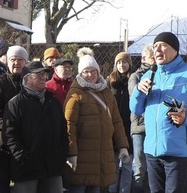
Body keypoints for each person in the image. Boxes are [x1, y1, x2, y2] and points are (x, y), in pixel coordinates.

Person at [129, 32, 187, 193]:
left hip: (178, 152)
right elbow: (136, 109)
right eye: (155, 46)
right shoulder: (149, 75)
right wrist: (138, 92)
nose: (158, 50)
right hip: (152, 151)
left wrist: (186, 116)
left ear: (175, 49)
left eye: (163, 46)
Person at [64, 47, 130, 193]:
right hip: (81, 157)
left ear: (98, 72)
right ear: (80, 73)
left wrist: (123, 146)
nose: (90, 75)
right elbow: (69, 125)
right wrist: (71, 153)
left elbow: (117, 122)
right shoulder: (75, 94)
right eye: (86, 72)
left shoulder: (106, 93)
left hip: (101, 156)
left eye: (93, 71)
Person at [3, 61, 68, 193]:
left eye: (44, 74)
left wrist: (61, 155)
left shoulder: (53, 101)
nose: (43, 77)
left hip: (52, 167)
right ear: (26, 79)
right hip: (26, 169)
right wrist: (25, 158)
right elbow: (10, 136)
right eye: (38, 75)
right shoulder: (16, 103)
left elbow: (63, 131)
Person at [0, 45, 29, 193]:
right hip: (3, 144)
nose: (16, 63)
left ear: (25, 62)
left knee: (24, 184)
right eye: (13, 59)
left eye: (20, 60)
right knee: (3, 184)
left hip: (26, 144)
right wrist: (12, 133)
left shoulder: (30, 83)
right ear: (7, 61)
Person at [128, 44, 154, 193]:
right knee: (139, 166)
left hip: (153, 127)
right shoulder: (136, 76)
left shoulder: (160, 75)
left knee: (152, 166)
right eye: (152, 57)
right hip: (139, 127)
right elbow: (135, 99)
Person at [107, 52, 133, 193]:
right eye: (118, 62)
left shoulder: (134, 80)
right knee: (114, 166)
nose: (121, 65)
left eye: (124, 62)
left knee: (128, 166)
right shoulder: (109, 82)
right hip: (113, 130)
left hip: (129, 129)